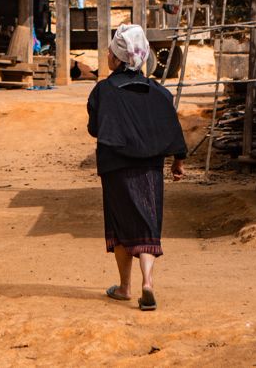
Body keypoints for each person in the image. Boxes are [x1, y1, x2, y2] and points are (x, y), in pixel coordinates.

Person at [87, 23, 186, 311]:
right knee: (148, 224)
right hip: (150, 167)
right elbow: (172, 128)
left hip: (116, 168)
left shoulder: (103, 91)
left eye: (110, 51)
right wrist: (178, 161)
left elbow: (95, 129)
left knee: (121, 226)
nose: (107, 55)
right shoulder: (159, 92)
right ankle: (147, 282)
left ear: (118, 59)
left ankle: (125, 287)